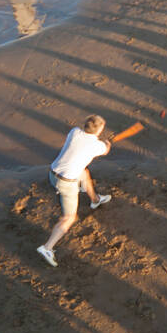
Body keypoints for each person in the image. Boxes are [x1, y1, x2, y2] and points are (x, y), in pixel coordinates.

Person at [36, 114, 114, 267]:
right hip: (66, 183)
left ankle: (95, 200)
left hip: (52, 173)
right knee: (69, 218)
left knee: (84, 172)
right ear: (99, 130)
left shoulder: (74, 132)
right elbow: (105, 150)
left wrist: (102, 143)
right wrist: (107, 144)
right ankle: (47, 248)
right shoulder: (97, 146)